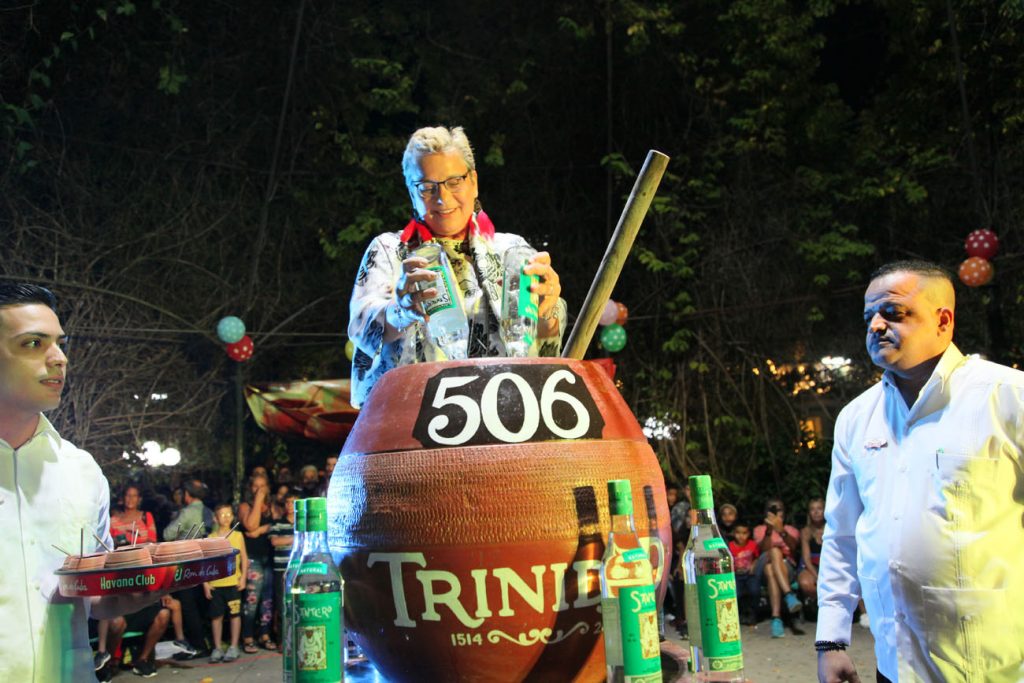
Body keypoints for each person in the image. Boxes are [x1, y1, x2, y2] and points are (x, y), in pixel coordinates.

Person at [817, 260, 1024, 682]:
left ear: (943, 321)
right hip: (893, 666)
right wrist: (831, 640)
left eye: (893, 313)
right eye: (868, 316)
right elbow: (842, 535)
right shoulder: (857, 418)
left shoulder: (1007, 398)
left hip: (994, 667)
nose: (875, 325)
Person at [0, 283, 162, 681]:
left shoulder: (82, 471)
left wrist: (134, 590)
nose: (59, 359)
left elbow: (89, 595)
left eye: (59, 343)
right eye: (34, 343)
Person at [348, 125, 568, 407]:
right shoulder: (390, 252)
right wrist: (400, 311)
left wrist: (547, 309)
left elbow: (547, 343)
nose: (442, 199)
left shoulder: (512, 250)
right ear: (411, 192)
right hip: (410, 417)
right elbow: (360, 327)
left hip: (502, 414)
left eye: (454, 181)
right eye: (427, 187)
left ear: (473, 181)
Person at [204, 503, 247, 663]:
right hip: (216, 584)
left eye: (229, 514)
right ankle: (217, 647)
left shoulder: (238, 536)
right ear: (215, 518)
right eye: (222, 515)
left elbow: (243, 558)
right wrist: (205, 583)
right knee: (216, 617)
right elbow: (205, 563)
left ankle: (234, 646)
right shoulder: (210, 539)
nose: (226, 517)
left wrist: (243, 578)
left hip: (233, 583)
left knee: (235, 614)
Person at [238, 471, 276, 653]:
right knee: (252, 599)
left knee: (267, 600)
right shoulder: (245, 506)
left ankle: (265, 634)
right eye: (256, 486)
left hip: (269, 558)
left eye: (263, 486)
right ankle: (247, 636)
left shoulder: (272, 506)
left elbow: (277, 524)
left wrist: (262, 529)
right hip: (252, 558)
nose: (259, 489)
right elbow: (250, 525)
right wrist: (259, 499)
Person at [753, 498, 802, 638]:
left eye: (778, 509)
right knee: (774, 552)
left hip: (787, 567)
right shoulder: (759, 530)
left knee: (771, 570)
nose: (775, 512)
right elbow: (763, 549)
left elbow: (793, 548)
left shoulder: (790, 530)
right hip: (764, 562)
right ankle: (788, 595)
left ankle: (776, 619)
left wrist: (781, 531)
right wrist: (769, 531)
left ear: (784, 512)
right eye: (771, 509)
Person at [797, 497, 824, 620]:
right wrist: (818, 577)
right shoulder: (806, 532)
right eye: (812, 509)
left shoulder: (832, 529)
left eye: (819, 508)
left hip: (828, 566)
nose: (816, 512)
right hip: (811, 566)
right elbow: (806, 559)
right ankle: (819, 604)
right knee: (806, 583)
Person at [728, 523, 761, 625]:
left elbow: (757, 557)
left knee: (754, 591)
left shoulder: (752, 545)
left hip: (749, 574)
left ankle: (753, 613)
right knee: (737, 594)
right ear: (734, 533)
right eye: (738, 533)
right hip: (736, 575)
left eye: (744, 533)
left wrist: (753, 566)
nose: (741, 536)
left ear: (749, 534)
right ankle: (740, 614)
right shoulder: (730, 546)